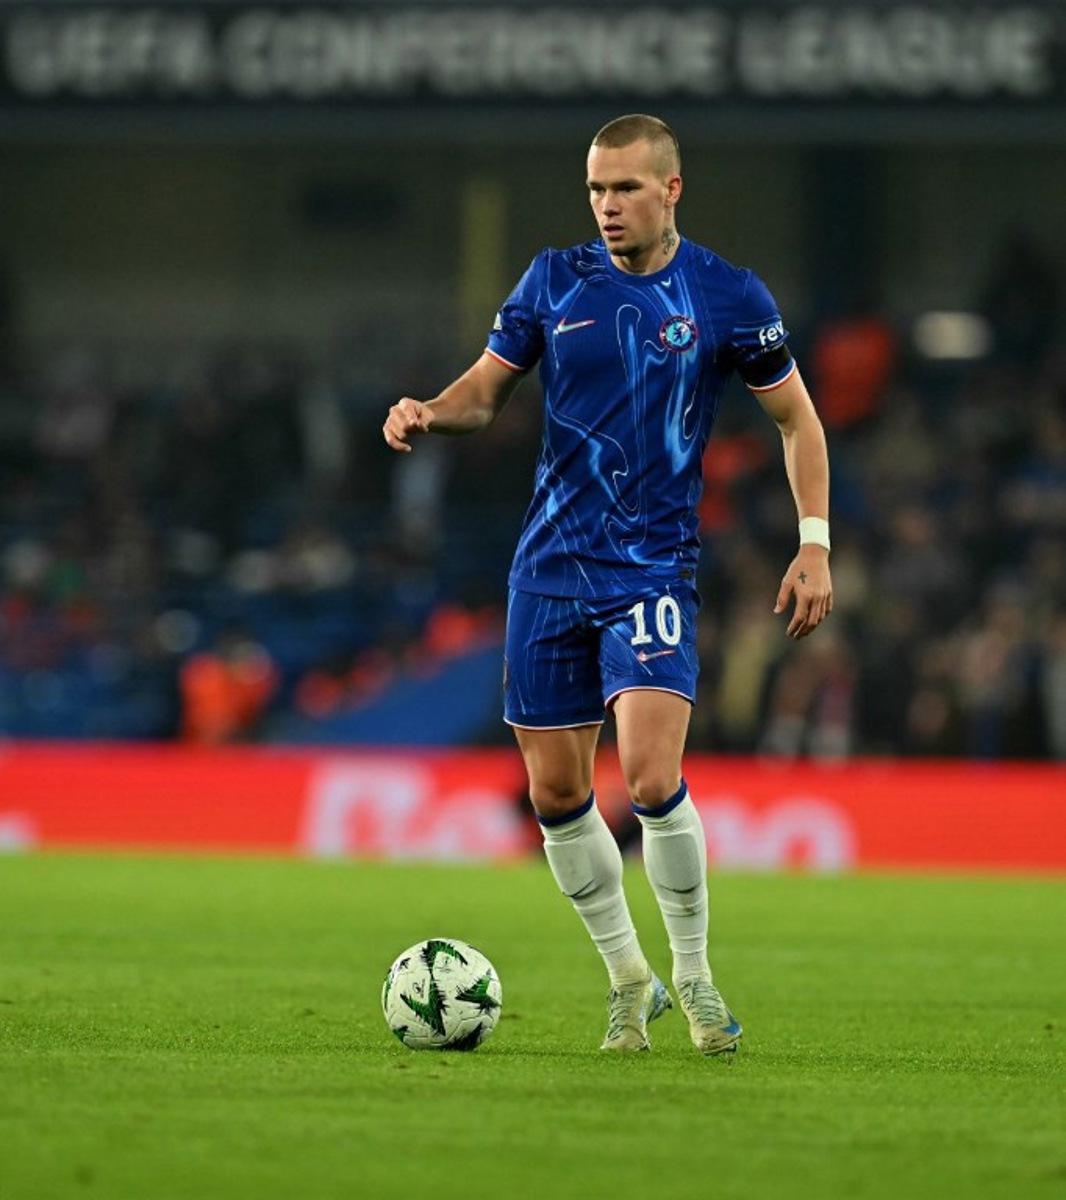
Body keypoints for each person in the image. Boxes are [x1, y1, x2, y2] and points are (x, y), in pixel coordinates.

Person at [383, 114, 833, 1056]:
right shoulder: (554, 281)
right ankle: (630, 982)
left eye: (625, 188)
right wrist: (430, 409)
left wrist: (814, 542)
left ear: (671, 189)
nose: (606, 206)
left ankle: (698, 979)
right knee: (554, 796)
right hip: (548, 568)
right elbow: (484, 391)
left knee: (650, 774)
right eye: (595, 189)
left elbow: (798, 422)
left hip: (651, 566)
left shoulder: (727, 295)